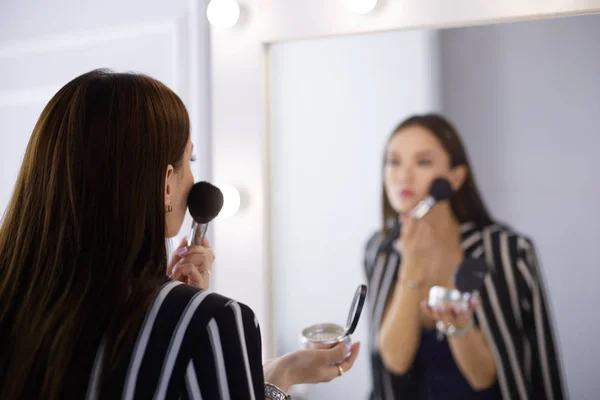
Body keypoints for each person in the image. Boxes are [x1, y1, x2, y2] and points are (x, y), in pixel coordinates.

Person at [0, 69, 360, 400]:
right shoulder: (213, 321)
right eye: (191, 160)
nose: (194, 181)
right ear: (166, 185)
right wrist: (204, 327)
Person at [364, 114, 565, 400]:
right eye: (393, 161)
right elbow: (394, 363)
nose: (403, 176)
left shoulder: (507, 252)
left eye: (423, 162)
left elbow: (491, 377)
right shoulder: (380, 251)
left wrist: (460, 327)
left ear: (455, 178)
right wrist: (412, 264)